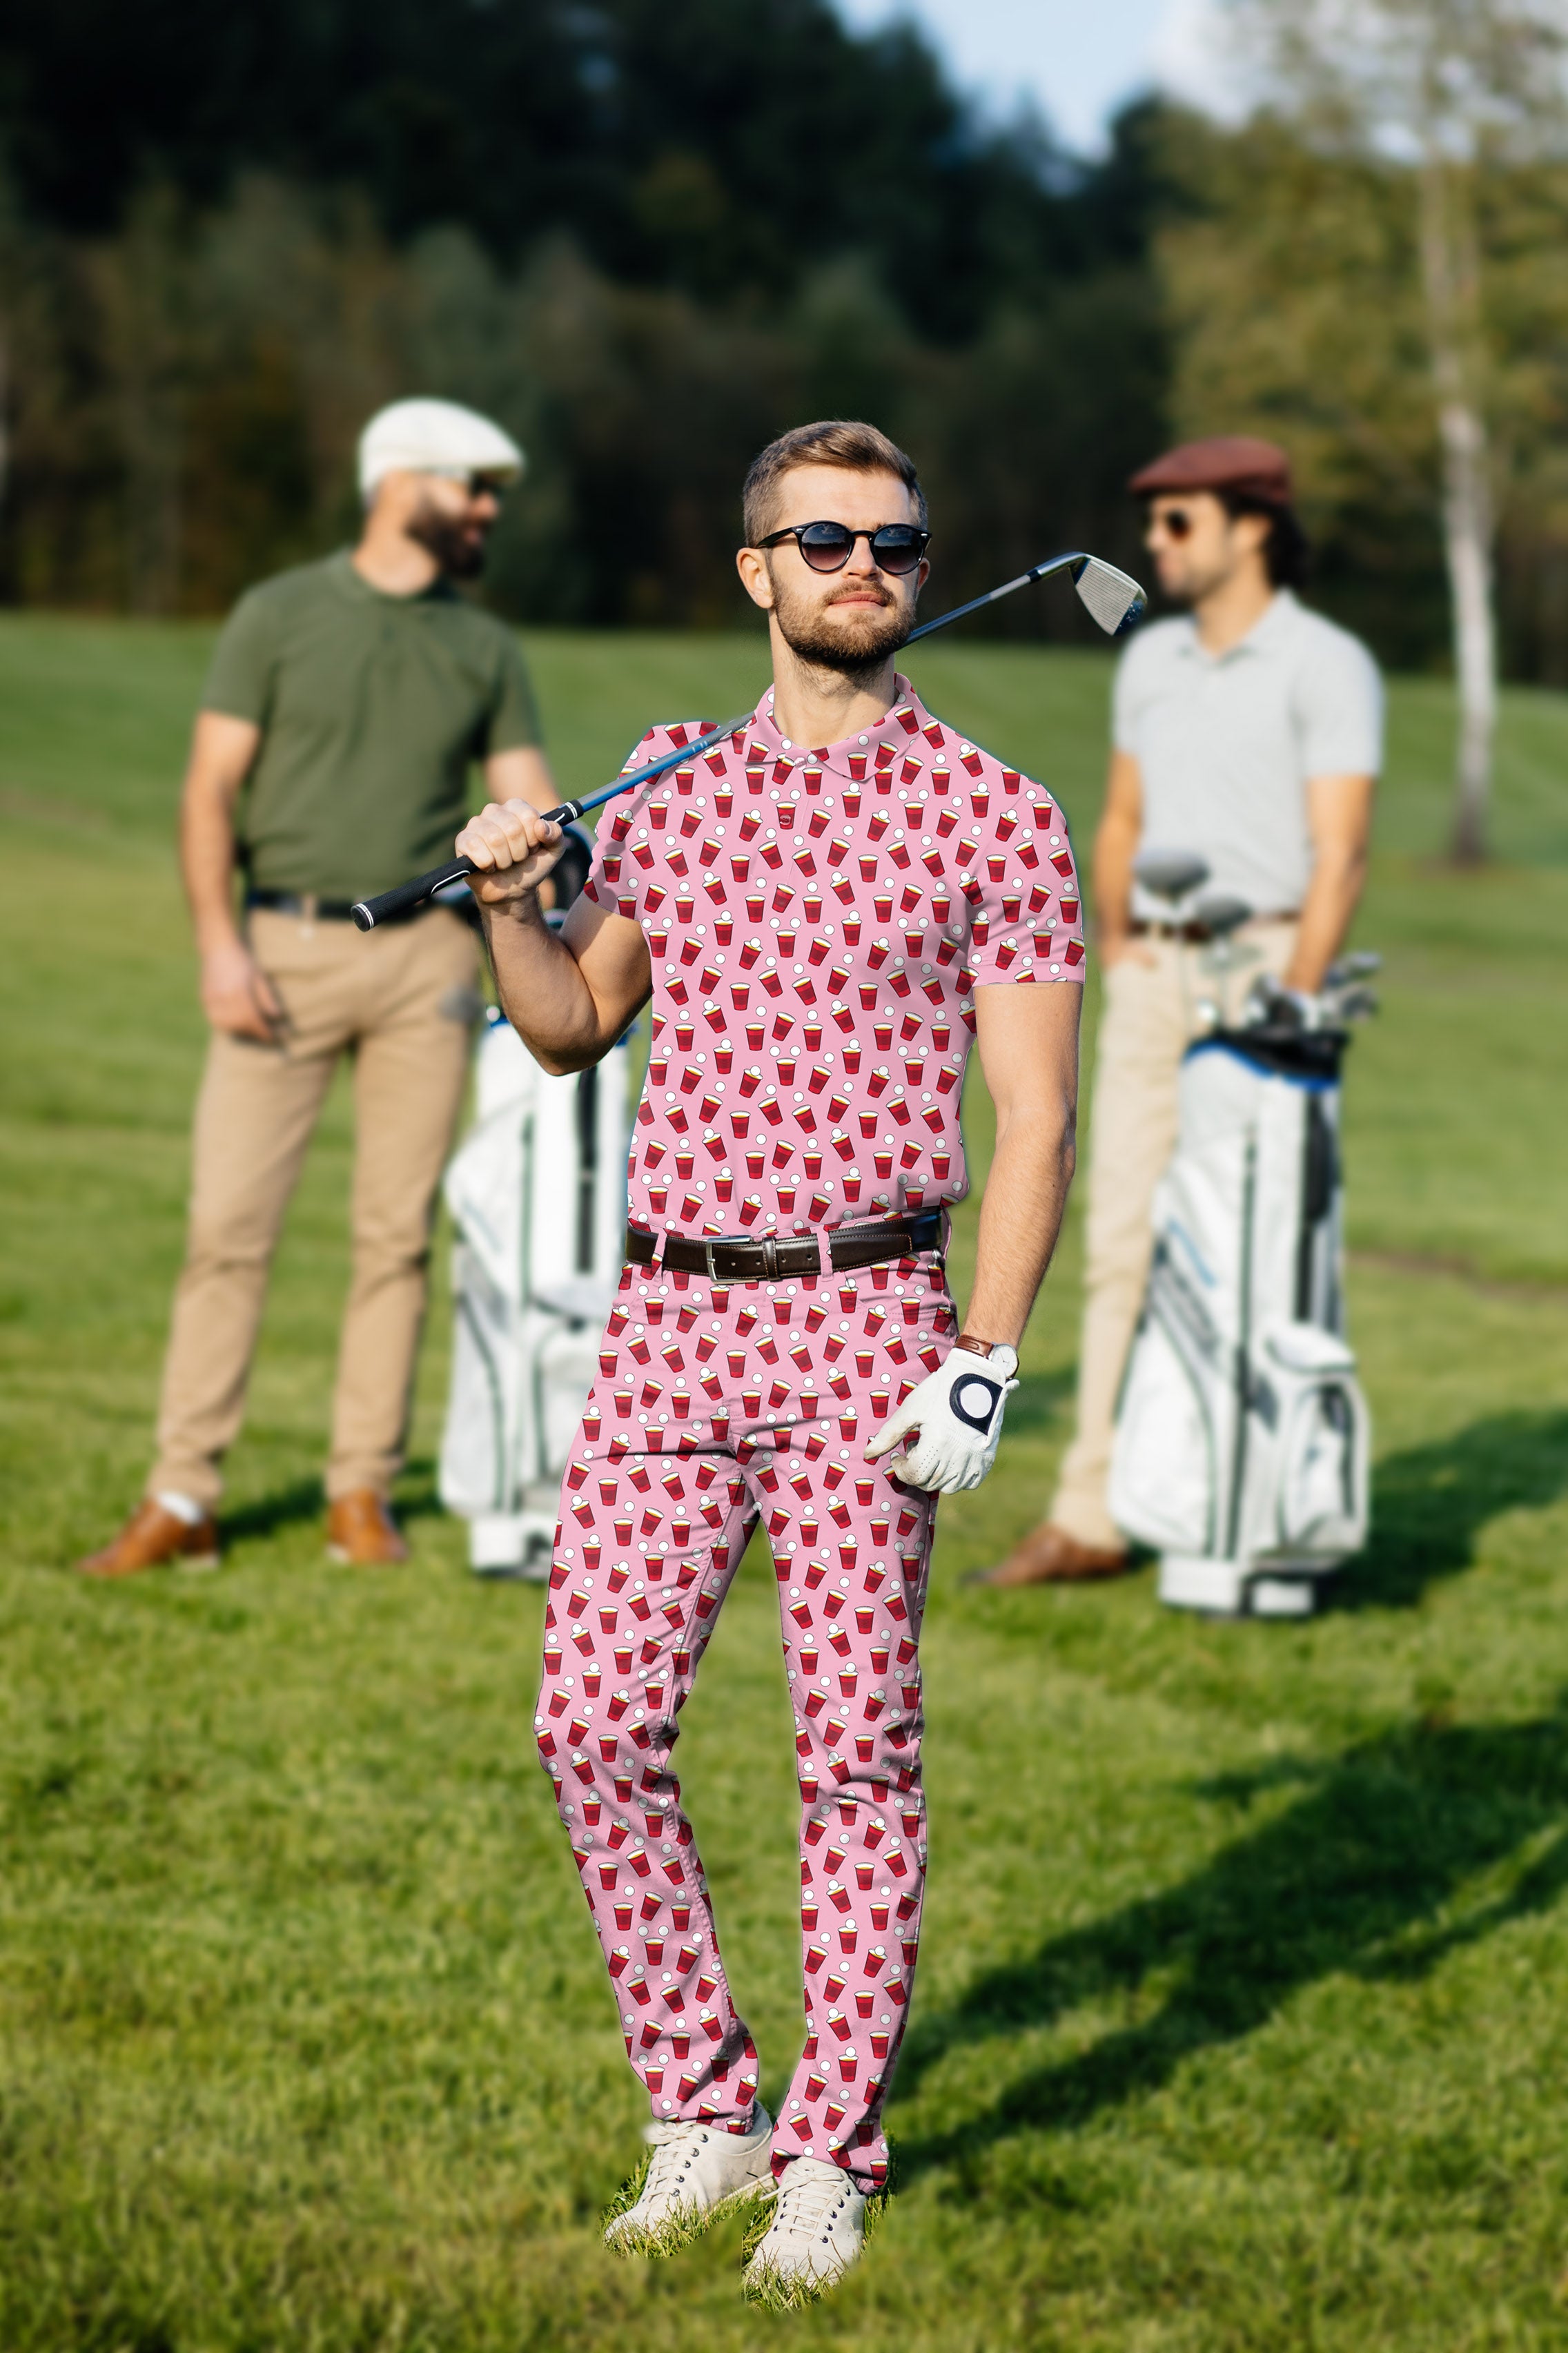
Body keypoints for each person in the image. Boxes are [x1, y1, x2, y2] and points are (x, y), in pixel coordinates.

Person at [453, 420, 1083, 2299]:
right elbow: (569, 1026)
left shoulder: (999, 810)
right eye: (822, 539)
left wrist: (987, 1352)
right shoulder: (664, 786)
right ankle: (703, 2104)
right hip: (666, 1319)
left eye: (893, 539)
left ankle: (831, 2149)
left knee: (857, 1754)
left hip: (871, 1322)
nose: (863, 564)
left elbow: (1035, 1118)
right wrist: (506, 897)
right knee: (592, 1724)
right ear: (760, 574)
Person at [79, 398, 558, 1577]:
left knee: (394, 1238)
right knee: (226, 1231)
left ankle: (360, 1496)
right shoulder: (277, 615)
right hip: (278, 950)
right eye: (473, 486)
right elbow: (209, 791)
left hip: (430, 967)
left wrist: (551, 889)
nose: (490, 509)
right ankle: (184, 1493)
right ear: (401, 484)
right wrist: (217, 947)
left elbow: (535, 802)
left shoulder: (484, 645)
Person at [980, 434, 1382, 1589]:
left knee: (1250, 1251)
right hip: (1153, 973)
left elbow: (1342, 854)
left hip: (1265, 972)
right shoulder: (1149, 661)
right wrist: (1120, 944)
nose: (1155, 544)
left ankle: (1245, 1509)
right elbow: (1119, 821)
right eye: (1150, 523)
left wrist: (1294, 1004)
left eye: (1179, 522)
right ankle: (1094, 1511)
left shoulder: (1326, 662)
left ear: (1253, 525)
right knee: (1117, 1245)